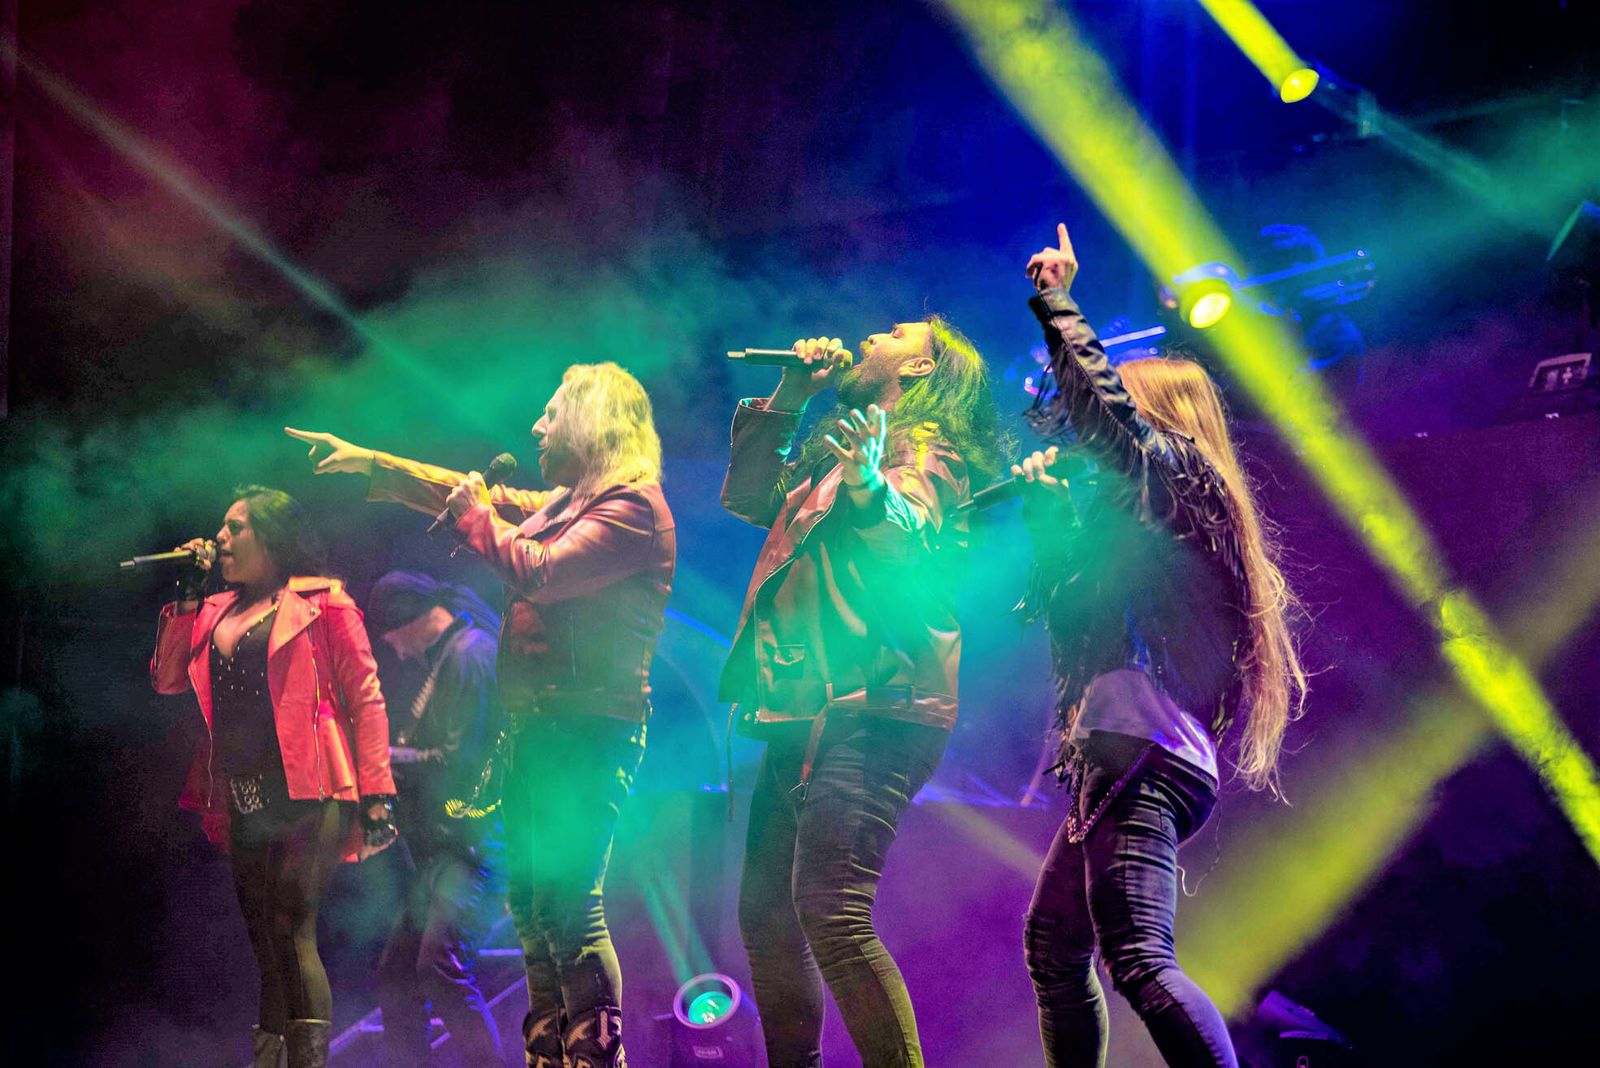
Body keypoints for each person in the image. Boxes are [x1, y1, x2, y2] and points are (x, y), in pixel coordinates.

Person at [285, 360, 675, 1068]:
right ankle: (551, 1054)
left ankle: (597, 1057)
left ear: (591, 423)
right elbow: (456, 491)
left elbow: (542, 573)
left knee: (570, 904)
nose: (537, 426)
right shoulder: (567, 503)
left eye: (552, 414)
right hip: (540, 732)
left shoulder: (632, 508)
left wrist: (477, 517)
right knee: (532, 906)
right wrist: (371, 460)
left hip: (589, 733)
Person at [1013, 223, 1307, 1068]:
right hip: (1124, 746)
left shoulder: (1179, 469)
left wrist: (1059, 303)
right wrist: (1046, 517)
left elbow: (1105, 424)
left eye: (1129, 407)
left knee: (1139, 958)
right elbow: (1074, 620)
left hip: (1142, 751)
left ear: (1161, 414)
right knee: (1055, 945)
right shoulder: (1154, 514)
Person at [720, 319, 1004, 1067]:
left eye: (894, 332)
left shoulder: (929, 453)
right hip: (803, 706)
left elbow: (911, 545)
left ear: (918, 369)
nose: (871, 334)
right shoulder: (841, 447)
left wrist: (872, 486)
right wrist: (791, 393)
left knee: (833, 915)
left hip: (879, 707)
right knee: (768, 918)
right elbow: (748, 498)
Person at [150, 486, 397, 1068]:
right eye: (221, 529)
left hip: (312, 787)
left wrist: (378, 790)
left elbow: (366, 696)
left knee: (291, 922)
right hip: (243, 792)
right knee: (264, 938)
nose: (220, 539)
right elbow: (165, 681)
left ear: (273, 539)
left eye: (236, 528)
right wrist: (187, 596)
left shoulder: (324, 602)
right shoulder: (212, 611)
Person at [366, 571, 507, 1067]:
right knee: (397, 977)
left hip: (472, 847)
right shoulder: (454, 654)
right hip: (448, 852)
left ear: (408, 620)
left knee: (440, 970)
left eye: (392, 639)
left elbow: (459, 763)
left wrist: (380, 761)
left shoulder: (469, 654)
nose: (396, 652)